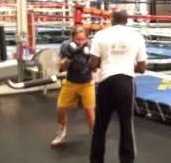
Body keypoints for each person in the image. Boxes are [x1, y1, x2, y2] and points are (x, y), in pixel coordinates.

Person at [89, 10, 147, 163]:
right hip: (125, 83)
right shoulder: (137, 37)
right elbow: (142, 67)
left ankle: (96, 160)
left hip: (106, 82)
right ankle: (126, 160)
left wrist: (107, 63)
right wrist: (125, 65)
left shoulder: (100, 35)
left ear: (112, 19)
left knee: (100, 126)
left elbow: (92, 64)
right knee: (126, 125)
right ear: (127, 20)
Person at [51, 25, 96, 147]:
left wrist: (90, 60)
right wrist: (69, 58)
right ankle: (61, 134)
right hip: (70, 83)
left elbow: (96, 66)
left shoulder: (91, 47)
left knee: (89, 111)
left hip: (87, 84)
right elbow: (61, 67)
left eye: (83, 40)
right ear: (72, 38)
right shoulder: (66, 46)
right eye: (77, 40)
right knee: (61, 109)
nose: (81, 42)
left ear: (87, 39)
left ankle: (95, 135)